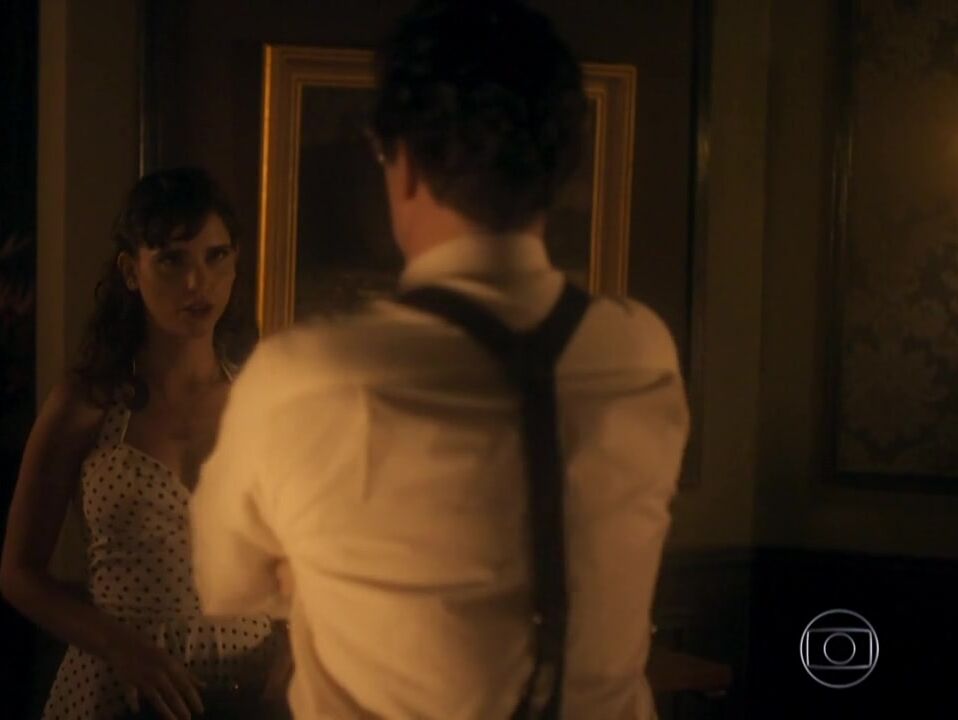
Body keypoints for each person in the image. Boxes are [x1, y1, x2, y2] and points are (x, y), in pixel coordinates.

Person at [189, 1, 689, 718]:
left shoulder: (302, 378)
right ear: (557, 168)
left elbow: (226, 583)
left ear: (406, 167)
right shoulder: (641, 351)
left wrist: (323, 572)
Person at [0, 167, 288, 719]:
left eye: (215, 256)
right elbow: (19, 574)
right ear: (132, 272)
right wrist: (121, 648)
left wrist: (295, 654)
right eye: (172, 260)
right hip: (123, 686)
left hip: (247, 688)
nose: (197, 282)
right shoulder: (90, 403)